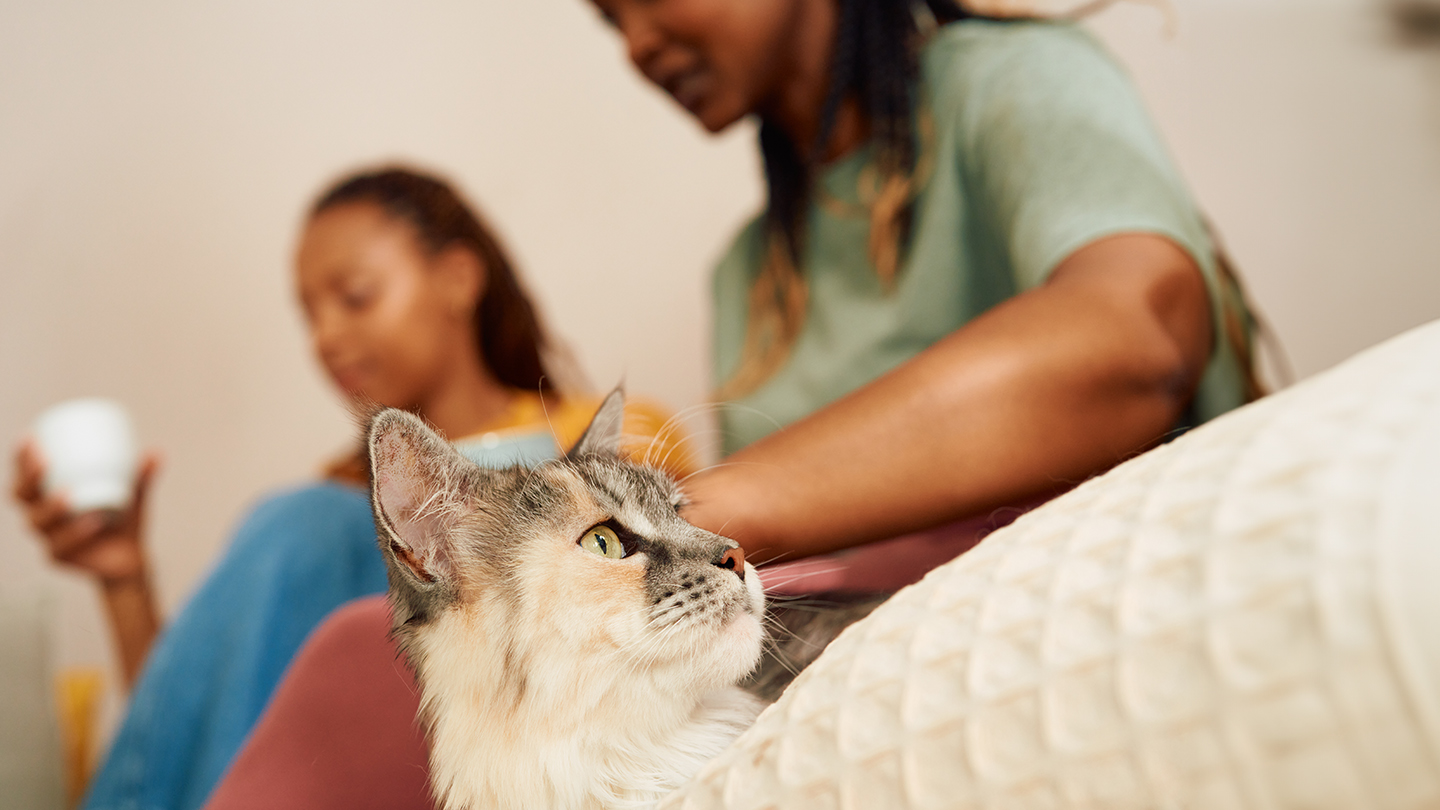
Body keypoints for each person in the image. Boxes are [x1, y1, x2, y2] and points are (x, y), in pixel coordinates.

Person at [12, 166, 691, 810]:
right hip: (313, 776)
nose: (326, 338)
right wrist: (123, 581)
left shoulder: (604, 439)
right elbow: (203, 736)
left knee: (307, 522)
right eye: (309, 315)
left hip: (507, 742)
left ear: (457, 279)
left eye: (355, 297)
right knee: (306, 519)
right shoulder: (334, 508)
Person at [585, 0, 1260, 583]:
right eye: (610, 19)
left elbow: (1135, 337)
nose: (636, 45)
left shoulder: (1013, 78)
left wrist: (692, 515)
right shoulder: (747, 272)